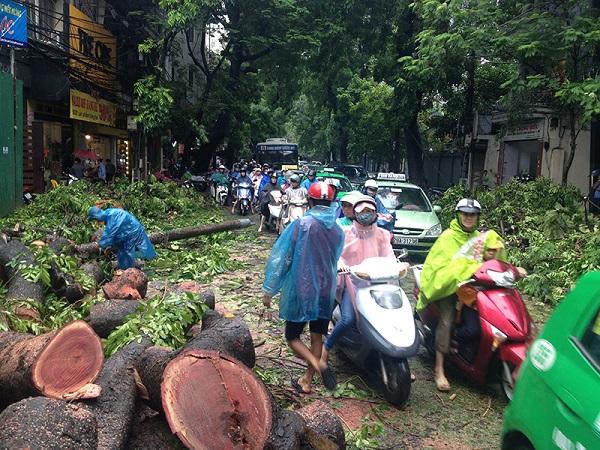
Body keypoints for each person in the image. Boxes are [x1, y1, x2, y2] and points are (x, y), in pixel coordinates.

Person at [262, 181, 344, 394]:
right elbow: (334, 259)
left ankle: (319, 366)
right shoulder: (337, 230)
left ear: (310, 200)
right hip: (326, 289)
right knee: (317, 336)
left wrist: (270, 288)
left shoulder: (301, 225)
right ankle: (306, 381)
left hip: (303, 287)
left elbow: (283, 257)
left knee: (292, 336)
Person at [320, 196, 405, 367]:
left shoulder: (382, 234)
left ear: (375, 213)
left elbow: (389, 254)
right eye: (362, 212)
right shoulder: (346, 233)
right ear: (356, 214)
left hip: (379, 283)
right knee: (348, 319)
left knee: (395, 317)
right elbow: (337, 255)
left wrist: (397, 265)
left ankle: (398, 356)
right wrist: (342, 266)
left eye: (370, 211)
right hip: (353, 282)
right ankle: (326, 348)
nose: (366, 215)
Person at [416, 198, 482, 392]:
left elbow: (491, 258)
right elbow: (440, 266)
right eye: (465, 214)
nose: (469, 217)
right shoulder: (447, 237)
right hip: (450, 289)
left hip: (473, 289)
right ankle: (439, 369)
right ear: (458, 215)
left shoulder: (480, 239)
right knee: (447, 319)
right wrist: (461, 273)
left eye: (473, 214)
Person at [452, 230, 526, 351]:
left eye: (494, 250)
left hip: (492, 304)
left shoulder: (497, 265)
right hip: (472, 303)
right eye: (489, 250)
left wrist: (517, 271)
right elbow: (461, 286)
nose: (492, 253)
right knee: (473, 330)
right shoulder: (471, 263)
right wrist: (475, 298)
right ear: (482, 249)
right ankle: (455, 336)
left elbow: (508, 272)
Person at [88, 206, 157, 270]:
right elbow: (114, 233)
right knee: (121, 250)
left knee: (128, 250)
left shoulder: (112, 215)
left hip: (132, 231)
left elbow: (110, 233)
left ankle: (131, 270)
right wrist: (110, 244)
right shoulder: (108, 215)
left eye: (95, 218)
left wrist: (100, 244)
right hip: (126, 232)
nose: (97, 221)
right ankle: (123, 268)